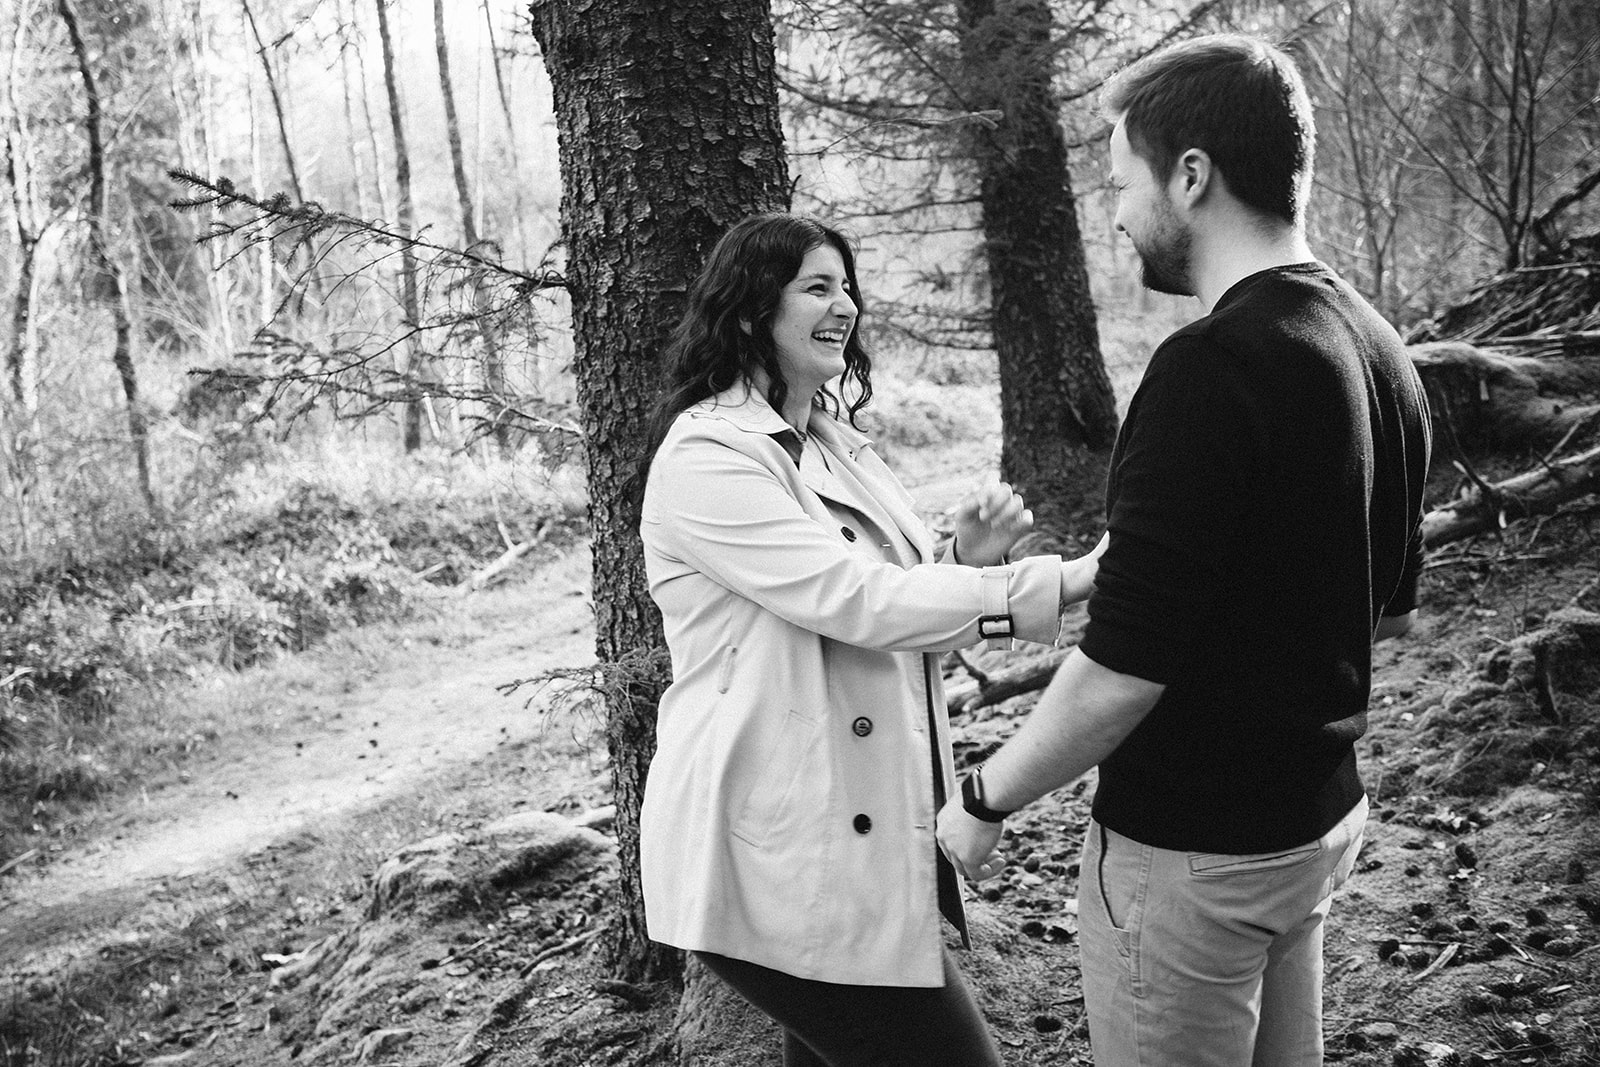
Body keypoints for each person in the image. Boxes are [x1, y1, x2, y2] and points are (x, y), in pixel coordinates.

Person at [936, 34, 1432, 1067]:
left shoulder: (1210, 367)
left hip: (1193, 854)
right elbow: (1384, 613)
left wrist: (983, 799)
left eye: (1123, 182)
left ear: (1192, 175)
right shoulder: (1380, 349)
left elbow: (1122, 670)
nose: (1117, 214)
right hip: (1315, 825)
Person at [637, 211, 1105, 1067]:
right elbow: (853, 599)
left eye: (847, 286)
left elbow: (888, 610)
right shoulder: (708, 455)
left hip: (846, 845)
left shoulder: (833, 441)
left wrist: (961, 559)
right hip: (774, 854)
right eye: (817, 286)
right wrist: (1059, 581)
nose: (844, 304)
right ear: (752, 307)